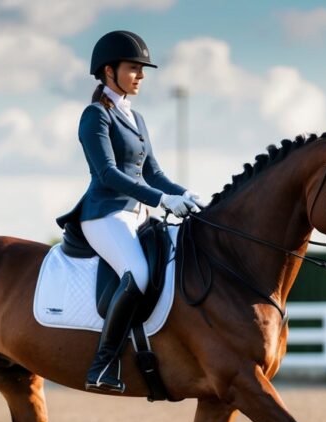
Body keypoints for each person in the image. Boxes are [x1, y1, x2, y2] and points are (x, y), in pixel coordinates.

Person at [55, 30, 202, 393]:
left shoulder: (136, 118)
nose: (141, 76)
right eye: (134, 68)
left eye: (142, 69)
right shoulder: (95, 116)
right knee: (136, 272)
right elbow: (108, 173)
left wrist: (186, 195)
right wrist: (161, 200)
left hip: (138, 216)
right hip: (104, 214)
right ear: (109, 71)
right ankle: (101, 365)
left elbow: (153, 173)